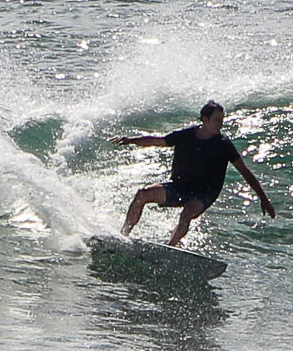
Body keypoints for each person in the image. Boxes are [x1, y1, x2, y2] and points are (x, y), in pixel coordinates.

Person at [112, 100, 276, 246]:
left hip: (204, 193)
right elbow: (158, 141)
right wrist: (131, 140)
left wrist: (264, 199)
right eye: (217, 120)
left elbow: (245, 172)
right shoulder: (187, 135)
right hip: (180, 187)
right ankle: (123, 236)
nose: (221, 124)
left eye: (222, 120)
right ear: (205, 119)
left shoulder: (223, 144)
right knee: (143, 194)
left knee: (188, 211)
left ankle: (170, 247)